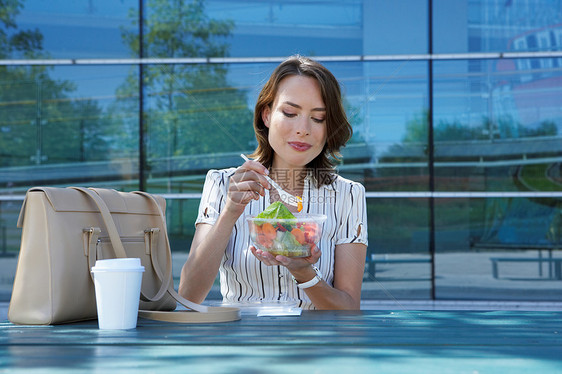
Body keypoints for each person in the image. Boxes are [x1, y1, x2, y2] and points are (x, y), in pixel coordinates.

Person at [179, 55, 368, 310]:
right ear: (267, 115)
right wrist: (231, 211)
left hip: (318, 344)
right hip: (242, 342)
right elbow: (189, 295)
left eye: (318, 118)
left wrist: (304, 273)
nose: (303, 128)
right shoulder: (223, 183)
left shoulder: (348, 194)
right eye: (290, 113)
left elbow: (348, 308)